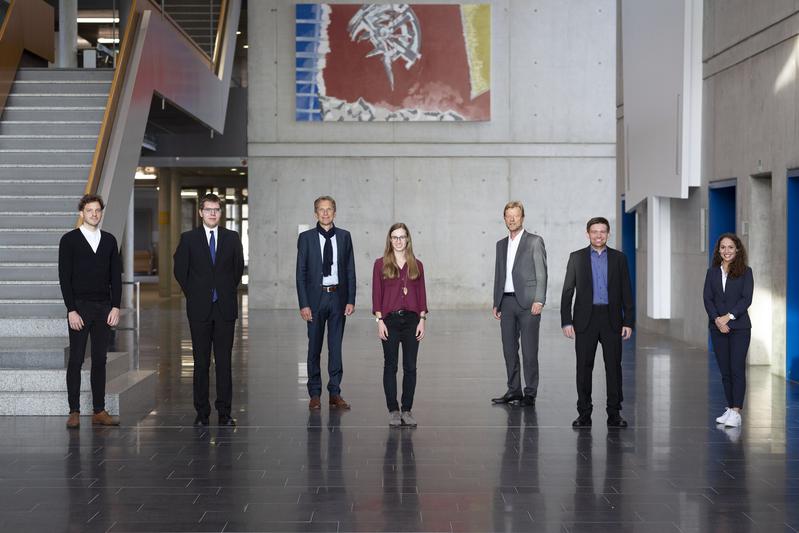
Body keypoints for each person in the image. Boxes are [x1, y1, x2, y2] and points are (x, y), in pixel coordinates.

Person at [174, 193, 244, 427]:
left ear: (220, 213)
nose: (212, 213)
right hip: (200, 309)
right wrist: (195, 293)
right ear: (200, 212)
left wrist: (222, 290)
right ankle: (201, 413)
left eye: (216, 210)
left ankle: (224, 413)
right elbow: (180, 271)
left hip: (225, 309)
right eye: (208, 209)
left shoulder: (232, 238)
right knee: (201, 362)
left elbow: (236, 270)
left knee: (224, 363)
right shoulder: (188, 239)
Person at [561, 216, 634, 428]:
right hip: (585, 320)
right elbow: (567, 292)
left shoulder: (619, 259)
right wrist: (566, 321)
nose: (599, 235)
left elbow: (626, 292)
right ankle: (584, 413)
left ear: (608, 234)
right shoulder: (576, 258)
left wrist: (628, 321)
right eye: (595, 231)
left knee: (614, 368)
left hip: (612, 320)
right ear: (588, 234)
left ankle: (614, 414)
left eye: (603, 231)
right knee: (584, 368)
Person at [59, 194, 121, 429]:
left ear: (101, 212)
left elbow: (116, 276)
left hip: (104, 307)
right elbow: (64, 278)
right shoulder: (69, 240)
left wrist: (116, 305)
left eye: (97, 210)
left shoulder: (109, 240)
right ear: (81, 213)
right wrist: (71, 310)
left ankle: (98, 410)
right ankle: (74, 411)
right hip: (80, 307)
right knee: (76, 359)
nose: (94, 214)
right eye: (89, 210)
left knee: (100, 359)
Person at [296, 196, 356, 410]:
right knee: (314, 347)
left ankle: (335, 392)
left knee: (335, 347)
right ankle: (314, 393)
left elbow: (350, 270)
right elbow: (300, 273)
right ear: (315, 214)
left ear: (334, 212)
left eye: (329, 209)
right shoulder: (306, 238)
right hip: (315, 299)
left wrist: (351, 299)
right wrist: (303, 303)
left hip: (338, 297)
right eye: (321, 210)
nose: (325, 213)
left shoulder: (344, 237)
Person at [491, 201, 548, 406]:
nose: (512, 219)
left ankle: (530, 393)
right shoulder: (500, 244)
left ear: (522, 217)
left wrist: (539, 299)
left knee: (529, 350)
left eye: (516, 215)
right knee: (509, 349)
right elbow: (499, 274)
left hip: (528, 303)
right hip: (506, 302)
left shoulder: (534, 241)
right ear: (505, 218)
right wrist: (496, 301)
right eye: (508, 215)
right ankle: (514, 390)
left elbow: (541, 273)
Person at [372, 223, 428, 427]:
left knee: (410, 366)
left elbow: (422, 295)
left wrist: (422, 320)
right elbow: (377, 295)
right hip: (390, 321)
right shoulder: (380, 264)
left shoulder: (417, 265)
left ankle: (407, 409)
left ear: (408, 240)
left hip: (413, 320)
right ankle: (393, 410)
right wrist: (379, 321)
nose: (398, 241)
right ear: (389, 240)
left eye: (402, 237)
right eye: (394, 237)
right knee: (390, 365)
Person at [703, 233, 754, 429]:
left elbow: (746, 299)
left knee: (736, 368)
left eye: (730, 247)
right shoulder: (712, 272)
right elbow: (707, 298)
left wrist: (728, 317)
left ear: (737, 250)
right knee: (725, 371)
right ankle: (730, 409)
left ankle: (736, 411)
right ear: (718, 250)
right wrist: (717, 319)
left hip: (739, 327)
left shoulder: (746, 272)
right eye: (723, 247)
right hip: (717, 327)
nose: (726, 251)